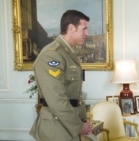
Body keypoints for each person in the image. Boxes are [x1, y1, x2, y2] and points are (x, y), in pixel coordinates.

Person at [29, 10, 92, 141]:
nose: (87, 33)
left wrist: (82, 119)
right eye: (84, 29)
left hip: (67, 126)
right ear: (71, 28)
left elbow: (75, 96)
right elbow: (57, 99)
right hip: (56, 128)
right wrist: (78, 126)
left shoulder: (67, 52)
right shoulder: (52, 55)